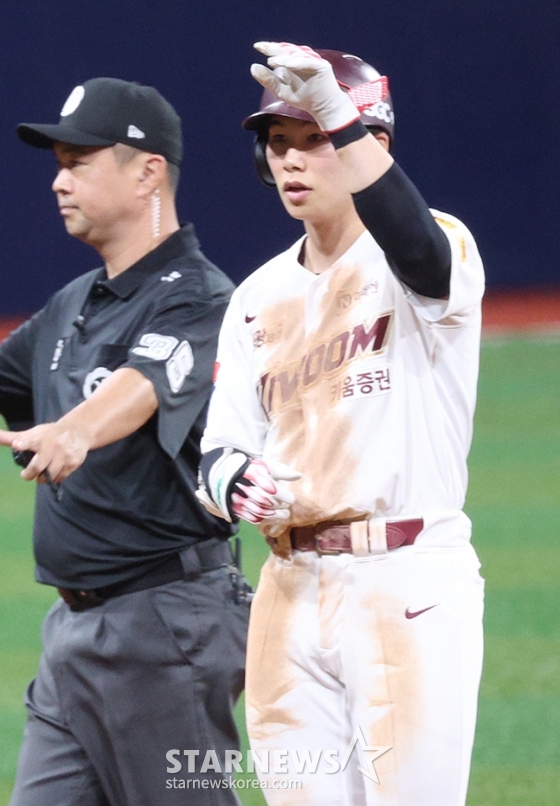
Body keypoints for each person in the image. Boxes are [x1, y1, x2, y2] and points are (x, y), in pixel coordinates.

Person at [196, 42, 485, 805]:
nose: (290, 161)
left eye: (314, 138)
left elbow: (418, 252)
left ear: (369, 144)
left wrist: (342, 115)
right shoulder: (256, 296)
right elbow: (220, 443)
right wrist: (232, 480)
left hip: (405, 578)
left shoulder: (435, 247)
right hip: (288, 590)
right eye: (278, 143)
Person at [0, 77, 250, 806]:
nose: (57, 180)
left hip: (165, 627)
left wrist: (76, 431)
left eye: (77, 160)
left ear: (147, 172)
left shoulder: (201, 296)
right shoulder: (74, 303)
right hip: (72, 634)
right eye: (58, 161)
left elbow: (147, 383)